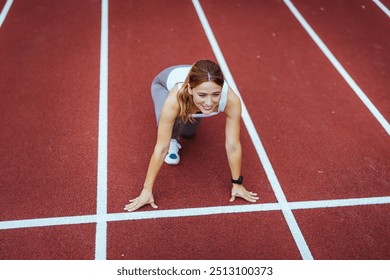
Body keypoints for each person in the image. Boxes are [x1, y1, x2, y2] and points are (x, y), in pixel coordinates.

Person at [124, 60, 259, 212]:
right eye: (202, 95)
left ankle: (187, 117)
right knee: (168, 123)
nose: (209, 102)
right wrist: (146, 190)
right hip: (163, 86)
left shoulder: (231, 100)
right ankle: (174, 139)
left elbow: (233, 145)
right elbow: (161, 148)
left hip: (191, 100)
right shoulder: (174, 100)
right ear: (190, 89)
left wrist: (237, 183)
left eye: (216, 94)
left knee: (188, 133)